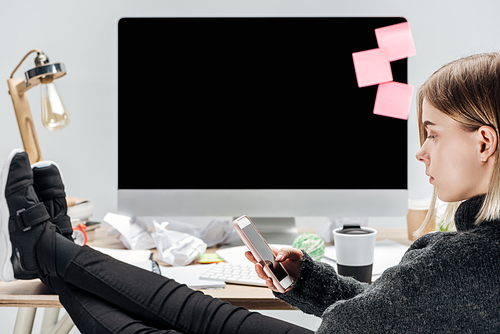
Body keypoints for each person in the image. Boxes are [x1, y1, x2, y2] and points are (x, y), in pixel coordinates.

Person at [1, 51, 500, 333]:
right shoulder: (475, 253)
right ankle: (50, 249)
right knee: (193, 312)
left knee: (183, 318)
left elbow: (354, 326)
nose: (421, 152)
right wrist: (308, 283)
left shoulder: (461, 261)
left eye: (432, 133)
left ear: (484, 141)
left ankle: (47, 249)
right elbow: (391, 316)